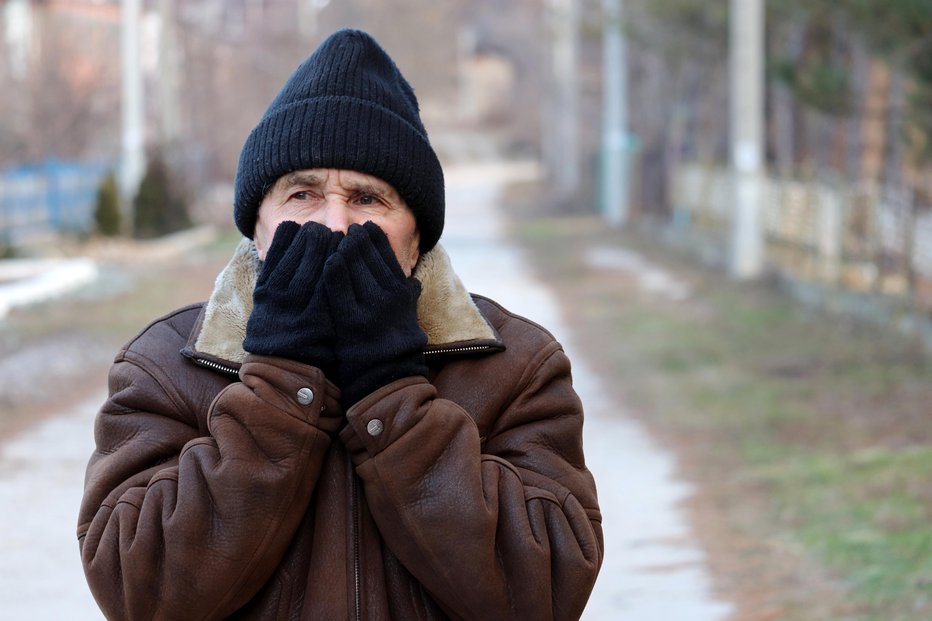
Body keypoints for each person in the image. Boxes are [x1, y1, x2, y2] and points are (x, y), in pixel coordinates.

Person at [78, 28, 603, 620]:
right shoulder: (167, 366)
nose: (333, 224)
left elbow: (544, 595)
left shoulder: (515, 366)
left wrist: (391, 393)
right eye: (301, 195)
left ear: (416, 239)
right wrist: (280, 385)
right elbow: (141, 595)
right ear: (257, 227)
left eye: (368, 198)